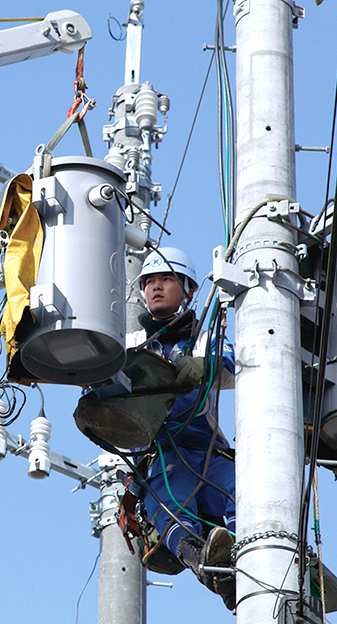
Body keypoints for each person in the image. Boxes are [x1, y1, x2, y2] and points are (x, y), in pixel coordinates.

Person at [129, 247, 237, 611]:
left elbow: (233, 364)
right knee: (174, 506)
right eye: (149, 282)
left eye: (166, 279)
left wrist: (204, 366)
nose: (155, 288)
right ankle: (208, 566)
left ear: (189, 290)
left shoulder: (205, 338)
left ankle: (251, 554)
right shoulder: (133, 347)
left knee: (245, 493)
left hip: (209, 450)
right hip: (162, 453)